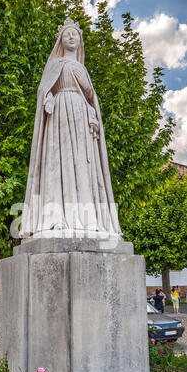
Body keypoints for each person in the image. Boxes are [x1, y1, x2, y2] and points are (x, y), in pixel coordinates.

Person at [20, 17, 121, 239]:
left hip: (81, 118)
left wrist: (93, 114)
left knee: (83, 167)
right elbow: (44, 90)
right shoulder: (55, 65)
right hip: (60, 116)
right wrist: (47, 98)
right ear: (61, 40)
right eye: (67, 34)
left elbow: (90, 97)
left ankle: (87, 219)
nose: (71, 37)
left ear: (80, 41)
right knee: (59, 164)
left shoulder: (82, 68)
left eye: (75, 34)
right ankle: (56, 218)